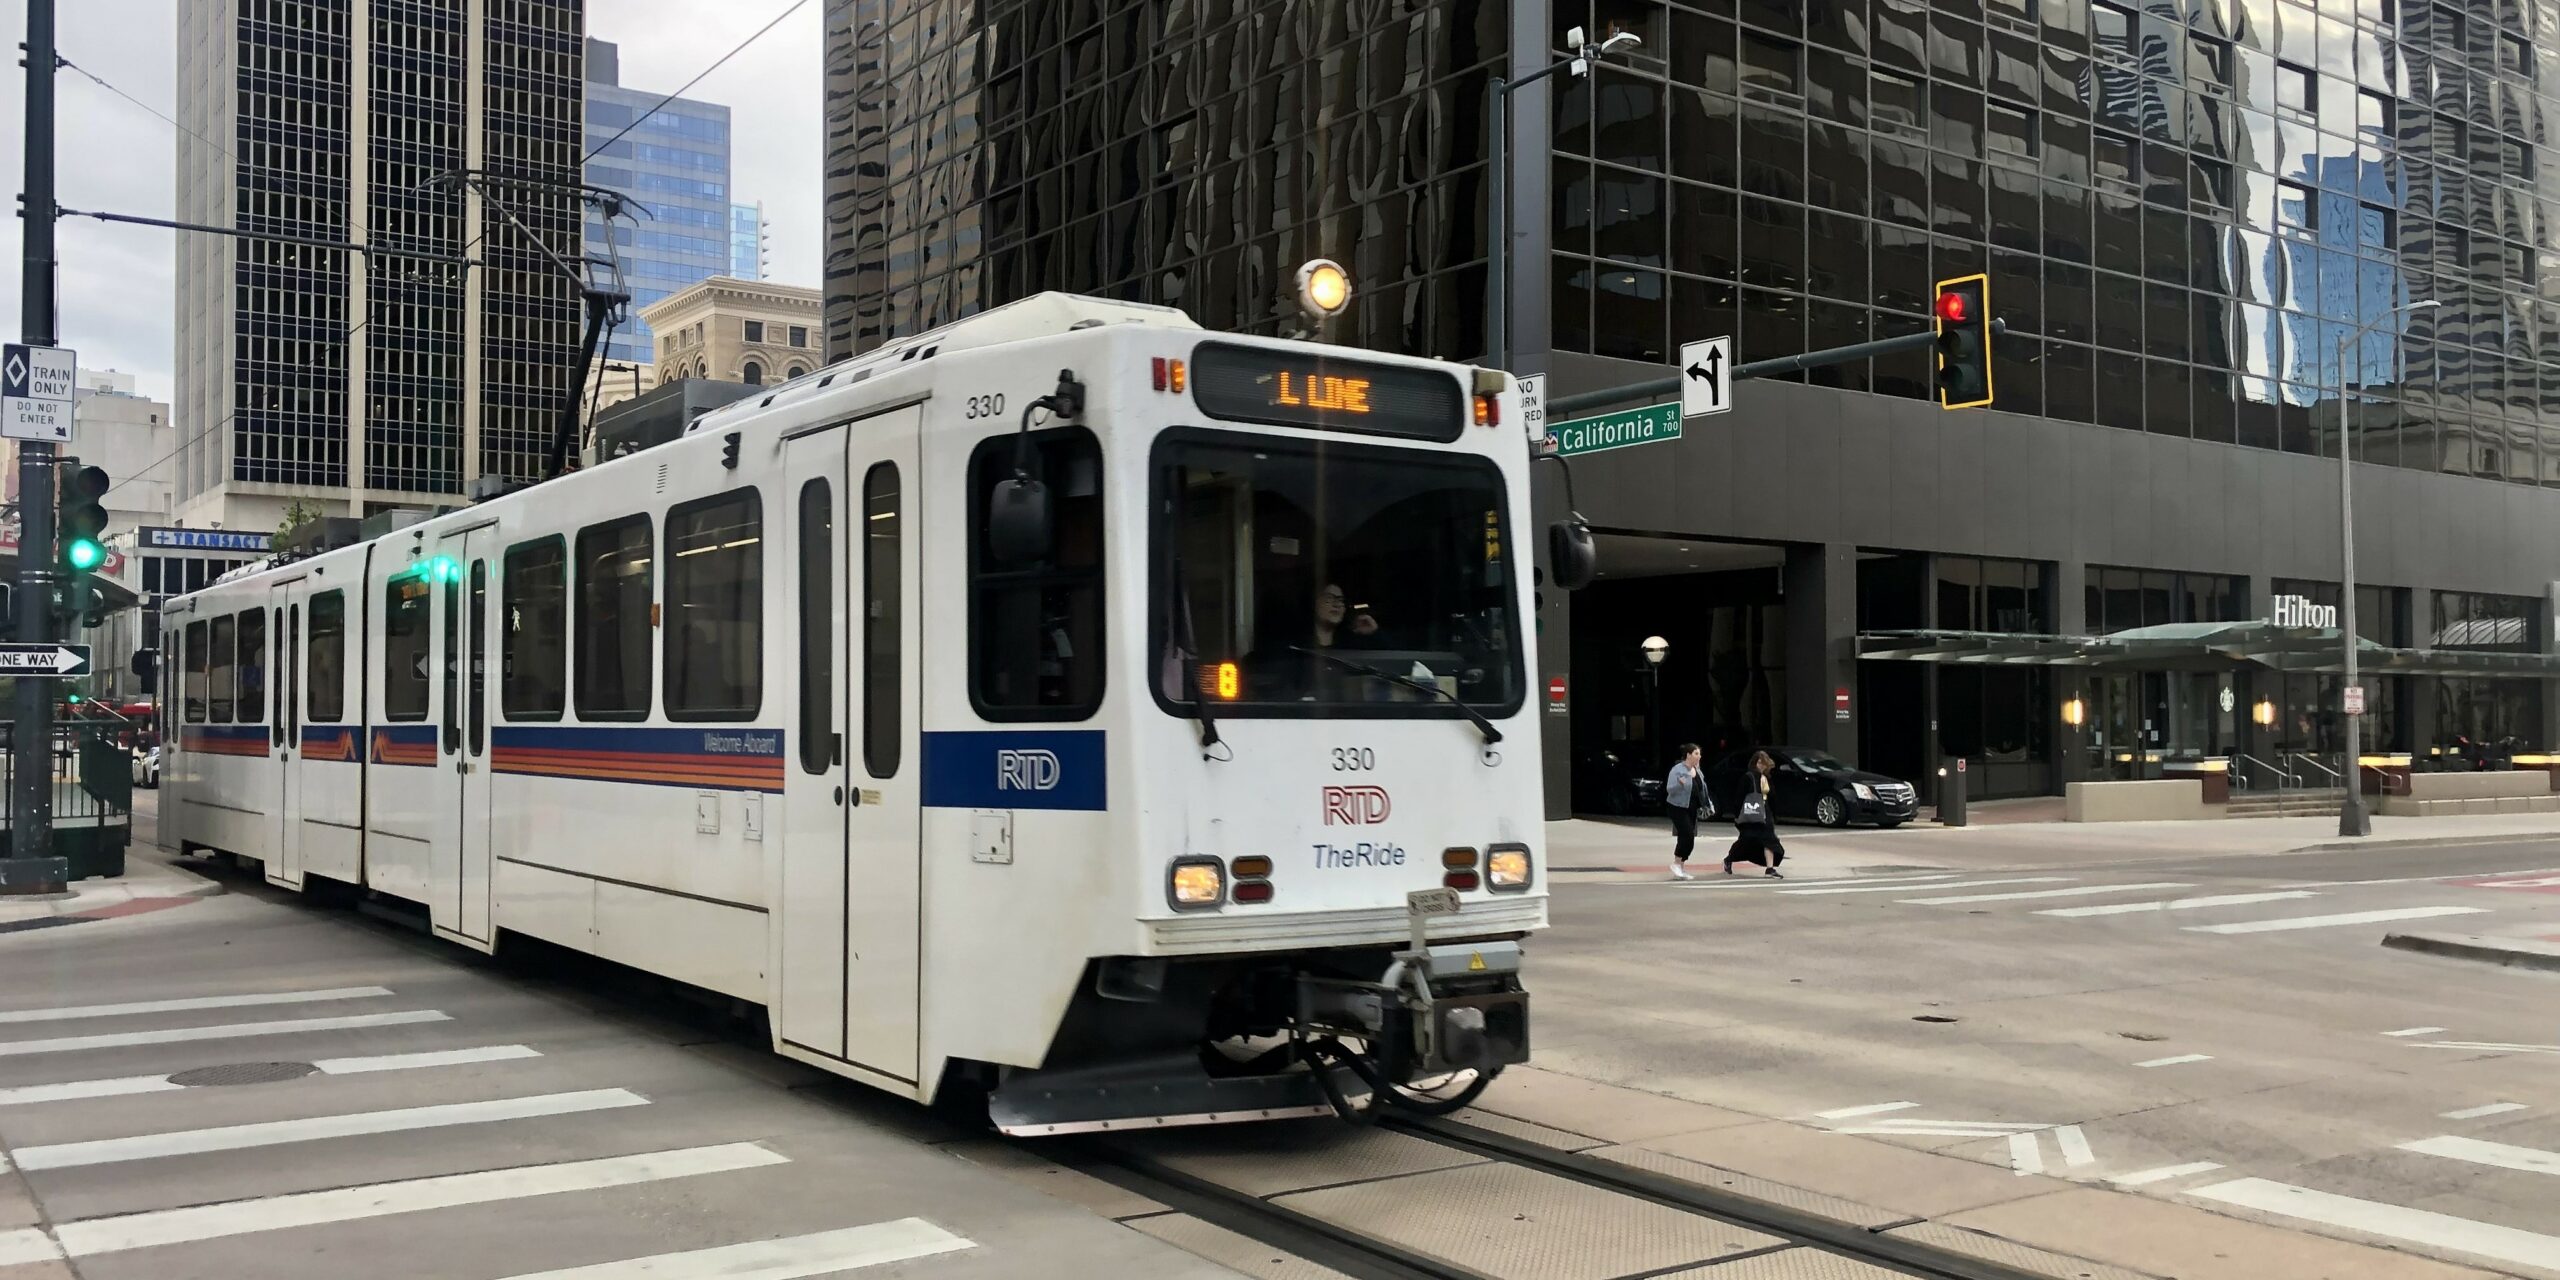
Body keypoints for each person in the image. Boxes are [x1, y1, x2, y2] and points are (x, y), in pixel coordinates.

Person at [1724, 750, 1787, 878]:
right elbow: (1739, 797)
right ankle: (1729, 859)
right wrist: (1737, 815)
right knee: (1747, 841)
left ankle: (1770, 869)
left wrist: (1775, 815)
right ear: (1754, 763)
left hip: (1765, 813)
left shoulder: (1767, 778)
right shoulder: (1748, 777)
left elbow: (1772, 797)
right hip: (1751, 814)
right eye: (1759, 762)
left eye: (1764, 763)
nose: (1762, 766)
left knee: (1770, 840)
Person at [1664, 744, 1705, 880]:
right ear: (1688, 755)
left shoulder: (1697, 770)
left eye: (1699, 754)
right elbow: (1670, 789)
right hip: (1677, 806)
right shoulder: (1678, 769)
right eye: (1696, 753)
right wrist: (1681, 783)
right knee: (1686, 833)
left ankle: (1681, 867)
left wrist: (1707, 803)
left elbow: (1702, 788)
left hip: (1691, 807)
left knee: (1690, 838)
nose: (1699, 756)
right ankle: (1676, 863)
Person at [1312, 583, 1378, 649]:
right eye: (1329, 598)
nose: (1337, 604)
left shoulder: (1352, 641)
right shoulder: (1302, 639)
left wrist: (1374, 633)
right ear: (1315, 603)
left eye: (1341, 600)